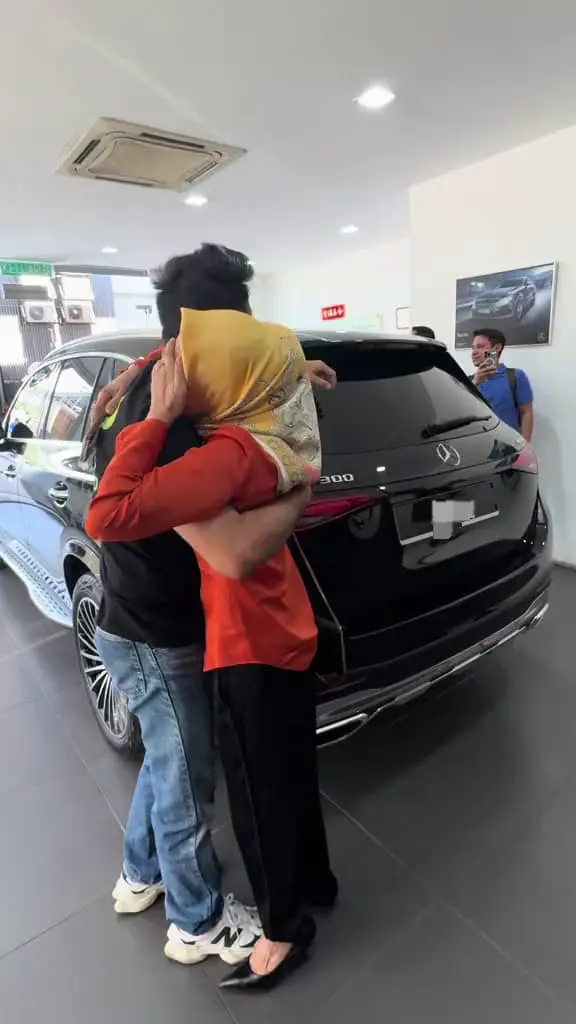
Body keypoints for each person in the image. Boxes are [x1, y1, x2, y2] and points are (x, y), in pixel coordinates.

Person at [85, 245, 336, 970]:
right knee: (188, 776)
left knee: (168, 760)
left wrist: (296, 372)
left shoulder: (164, 376)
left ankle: (140, 876)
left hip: (138, 615)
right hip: (161, 628)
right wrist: (297, 487)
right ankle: (194, 921)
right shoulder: (184, 426)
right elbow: (227, 552)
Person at [470, 328, 534, 441]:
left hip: (508, 444)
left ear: (497, 348)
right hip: (476, 445)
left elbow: (526, 412)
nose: (474, 352)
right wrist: (475, 382)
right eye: (473, 347)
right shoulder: (468, 381)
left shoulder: (515, 376)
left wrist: (525, 444)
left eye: (480, 347)